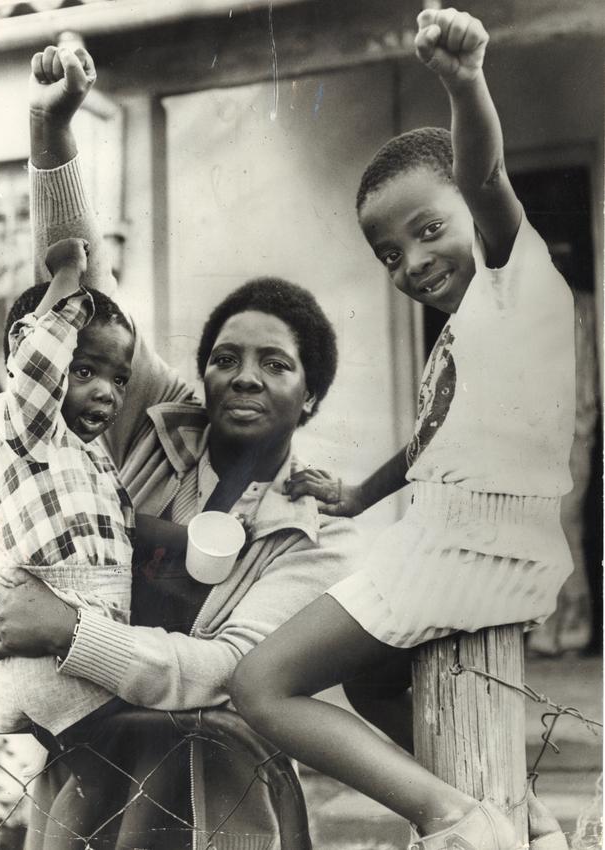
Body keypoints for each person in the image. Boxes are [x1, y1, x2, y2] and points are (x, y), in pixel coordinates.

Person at [0, 44, 359, 850]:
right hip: (92, 753)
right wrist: (51, 130)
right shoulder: (155, 421)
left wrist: (68, 630)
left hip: (216, 779)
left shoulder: (320, 535)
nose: (244, 378)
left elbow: (229, 671)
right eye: (225, 358)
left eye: (275, 363)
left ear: (314, 394)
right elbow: (83, 304)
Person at [231, 8, 575, 850]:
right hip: (472, 540)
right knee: (377, 679)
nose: (413, 261)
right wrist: (356, 493)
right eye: (389, 254)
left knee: (262, 684)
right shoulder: (466, 332)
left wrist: (464, 81)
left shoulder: (513, 275)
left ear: (472, 210)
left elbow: (486, 174)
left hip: (468, 547)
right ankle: (509, 810)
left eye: (429, 229)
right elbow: (430, 443)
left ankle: (452, 817)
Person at [0, 235, 141, 849]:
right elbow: (40, 360)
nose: (106, 391)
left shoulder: (88, 455)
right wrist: (70, 280)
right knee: (102, 776)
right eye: (84, 371)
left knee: (74, 773)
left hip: (73, 634)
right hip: (51, 644)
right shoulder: (26, 426)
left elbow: (121, 527)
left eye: (118, 378)